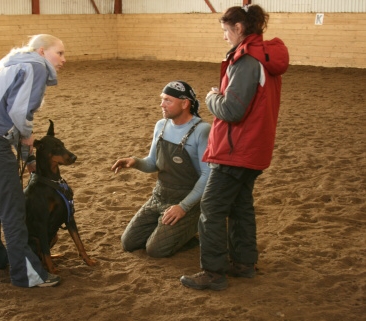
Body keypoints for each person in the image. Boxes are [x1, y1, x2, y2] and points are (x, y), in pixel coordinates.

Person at [180, 4, 289, 291]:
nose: (224, 37)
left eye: (225, 31)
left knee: (212, 208)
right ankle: (243, 263)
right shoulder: (264, 57)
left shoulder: (246, 61)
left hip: (236, 149)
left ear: (239, 28)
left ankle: (213, 272)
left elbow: (232, 110)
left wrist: (212, 97)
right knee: (241, 207)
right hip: (253, 147)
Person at [0, 34, 66, 288]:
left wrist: (27, 154)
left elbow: (12, 110)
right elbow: (19, 112)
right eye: (59, 53)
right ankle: (26, 273)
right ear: (42, 51)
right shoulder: (37, 66)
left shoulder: (16, 61)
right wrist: (28, 138)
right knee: (13, 206)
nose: (64, 59)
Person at [111, 81, 211, 258]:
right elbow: (152, 163)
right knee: (129, 242)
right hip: (160, 195)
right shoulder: (161, 125)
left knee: (155, 250)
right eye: (162, 99)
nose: (161, 104)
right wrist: (135, 162)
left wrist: (183, 207)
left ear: (185, 103)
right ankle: (173, 230)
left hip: (187, 200)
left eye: (167, 100)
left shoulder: (202, 130)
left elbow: (207, 175)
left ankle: (194, 223)